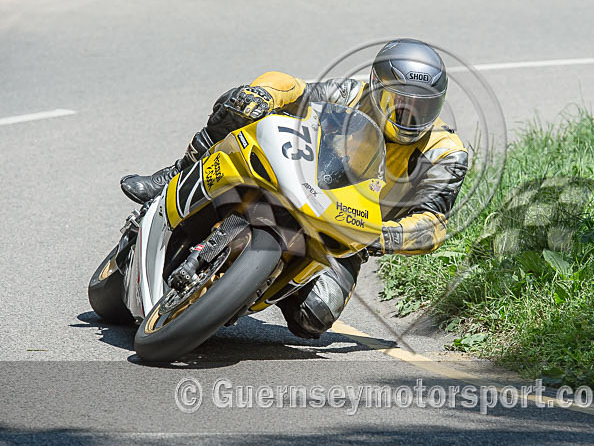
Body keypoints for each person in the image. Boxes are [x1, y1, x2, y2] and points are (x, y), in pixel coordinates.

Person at [120, 39, 468, 339]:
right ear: (376, 88)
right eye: (400, 103)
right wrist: (263, 93)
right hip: (299, 184)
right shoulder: (351, 95)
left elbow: (433, 222)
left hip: (346, 235)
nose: (411, 117)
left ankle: (240, 290)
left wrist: (382, 236)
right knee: (241, 105)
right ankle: (175, 175)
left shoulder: (447, 152)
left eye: (424, 106)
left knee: (314, 317)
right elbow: (294, 88)